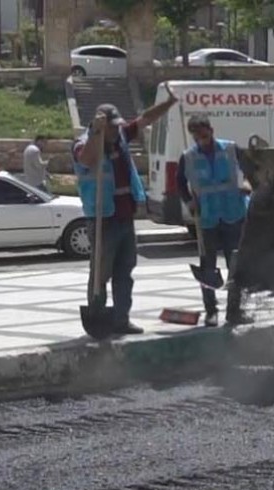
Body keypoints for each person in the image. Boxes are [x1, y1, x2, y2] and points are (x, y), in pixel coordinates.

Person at [73, 94, 177, 336]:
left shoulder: (120, 137)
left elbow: (145, 119)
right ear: (100, 125)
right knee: (100, 273)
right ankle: (98, 317)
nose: (115, 131)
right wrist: (97, 134)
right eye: (111, 127)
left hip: (124, 216)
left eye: (116, 126)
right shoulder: (84, 143)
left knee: (124, 271)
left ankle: (121, 319)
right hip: (103, 218)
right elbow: (86, 160)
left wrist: (169, 103)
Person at [173, 114, 250, 327]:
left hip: (233, 213)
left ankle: (234, 311)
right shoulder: (188, 157)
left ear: (211, 130)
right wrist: (189, 201)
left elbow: (252, 169)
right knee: (207, 267)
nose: (201, 140)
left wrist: (248, 184)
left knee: (235, 265)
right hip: (206, 217)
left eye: (204, 135)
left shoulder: (230, 149)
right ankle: (211, 311)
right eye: (197, 136)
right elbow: (179, 182)